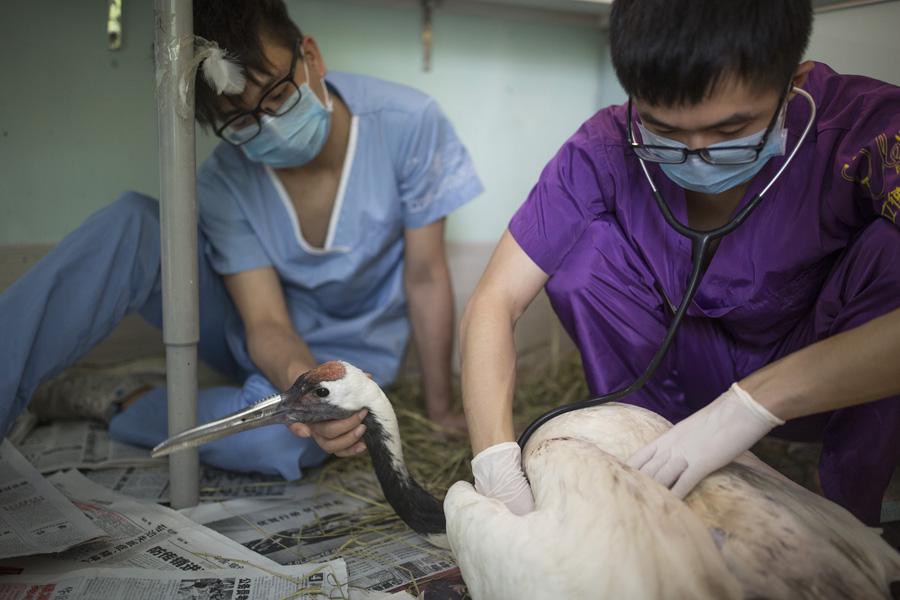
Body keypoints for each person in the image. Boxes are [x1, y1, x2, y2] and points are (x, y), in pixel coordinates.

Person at [459, 0, 900, 527]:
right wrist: (495, 465)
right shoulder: (603, 145)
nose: (695, 155)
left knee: (891, 249)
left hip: (826, 382)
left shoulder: (870, 132)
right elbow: (495, 299)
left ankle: (848, 505)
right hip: (680, 383)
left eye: (731, 132)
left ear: (793, 82)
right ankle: (654, 458)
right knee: (581, 255)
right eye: (664, 132)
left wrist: (750, 405)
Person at [0, 0, 482, 480]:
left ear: (310, 56)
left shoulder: (409, 123)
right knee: (133, 224)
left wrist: (439, 410)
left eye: (276, 94)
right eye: (242, 120)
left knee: (276, 441)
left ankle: (126, 398)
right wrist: (300, 388)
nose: (268, 123)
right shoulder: (223, 181)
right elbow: (267, 325)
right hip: (261, 339)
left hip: (351, 355)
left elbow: (424, 277)